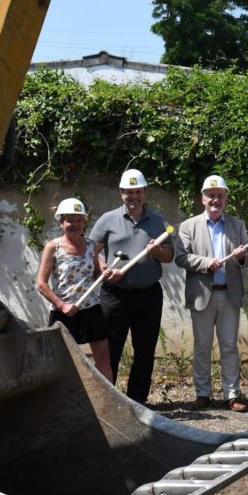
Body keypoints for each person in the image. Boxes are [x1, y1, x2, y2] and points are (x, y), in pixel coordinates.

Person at [89, 168, 174, 405]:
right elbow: (92, 253)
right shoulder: (108, 220)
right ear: (121, 193)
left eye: (137, 191)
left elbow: (169, 256)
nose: (133, 196)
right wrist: (105, 269)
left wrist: (158, 251)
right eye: (128, 192)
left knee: (144, 351)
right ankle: (109, 400)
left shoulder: (159, 222)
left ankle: (137, 402)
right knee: (110, 350)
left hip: (148, 296)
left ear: (145, 192)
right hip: (114, 296)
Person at [175, 175, 248, 412]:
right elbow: (181, 257)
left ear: (226, 199)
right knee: (202, 347)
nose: (215, 200)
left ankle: (232, 395)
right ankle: (203, 393)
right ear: (203, 198)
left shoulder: (237, 225)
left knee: (229, 346)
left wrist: (241, 256)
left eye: (220, 195)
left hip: (229, 295)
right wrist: (206, 263)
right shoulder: (188, 226)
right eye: (211, 195)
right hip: (202, 295)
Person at [36, 197, 112, 380]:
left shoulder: (90, 246)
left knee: (103, 359)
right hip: (64, 313)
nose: (75, 224)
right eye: (70, 220)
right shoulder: (52, 247)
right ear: (61, 222)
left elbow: (94, 273)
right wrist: (61, 305)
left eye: (79, 220)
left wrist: (104, 272)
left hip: (91, 309)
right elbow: (41, 283)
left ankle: (110, 405)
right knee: (62, 362)